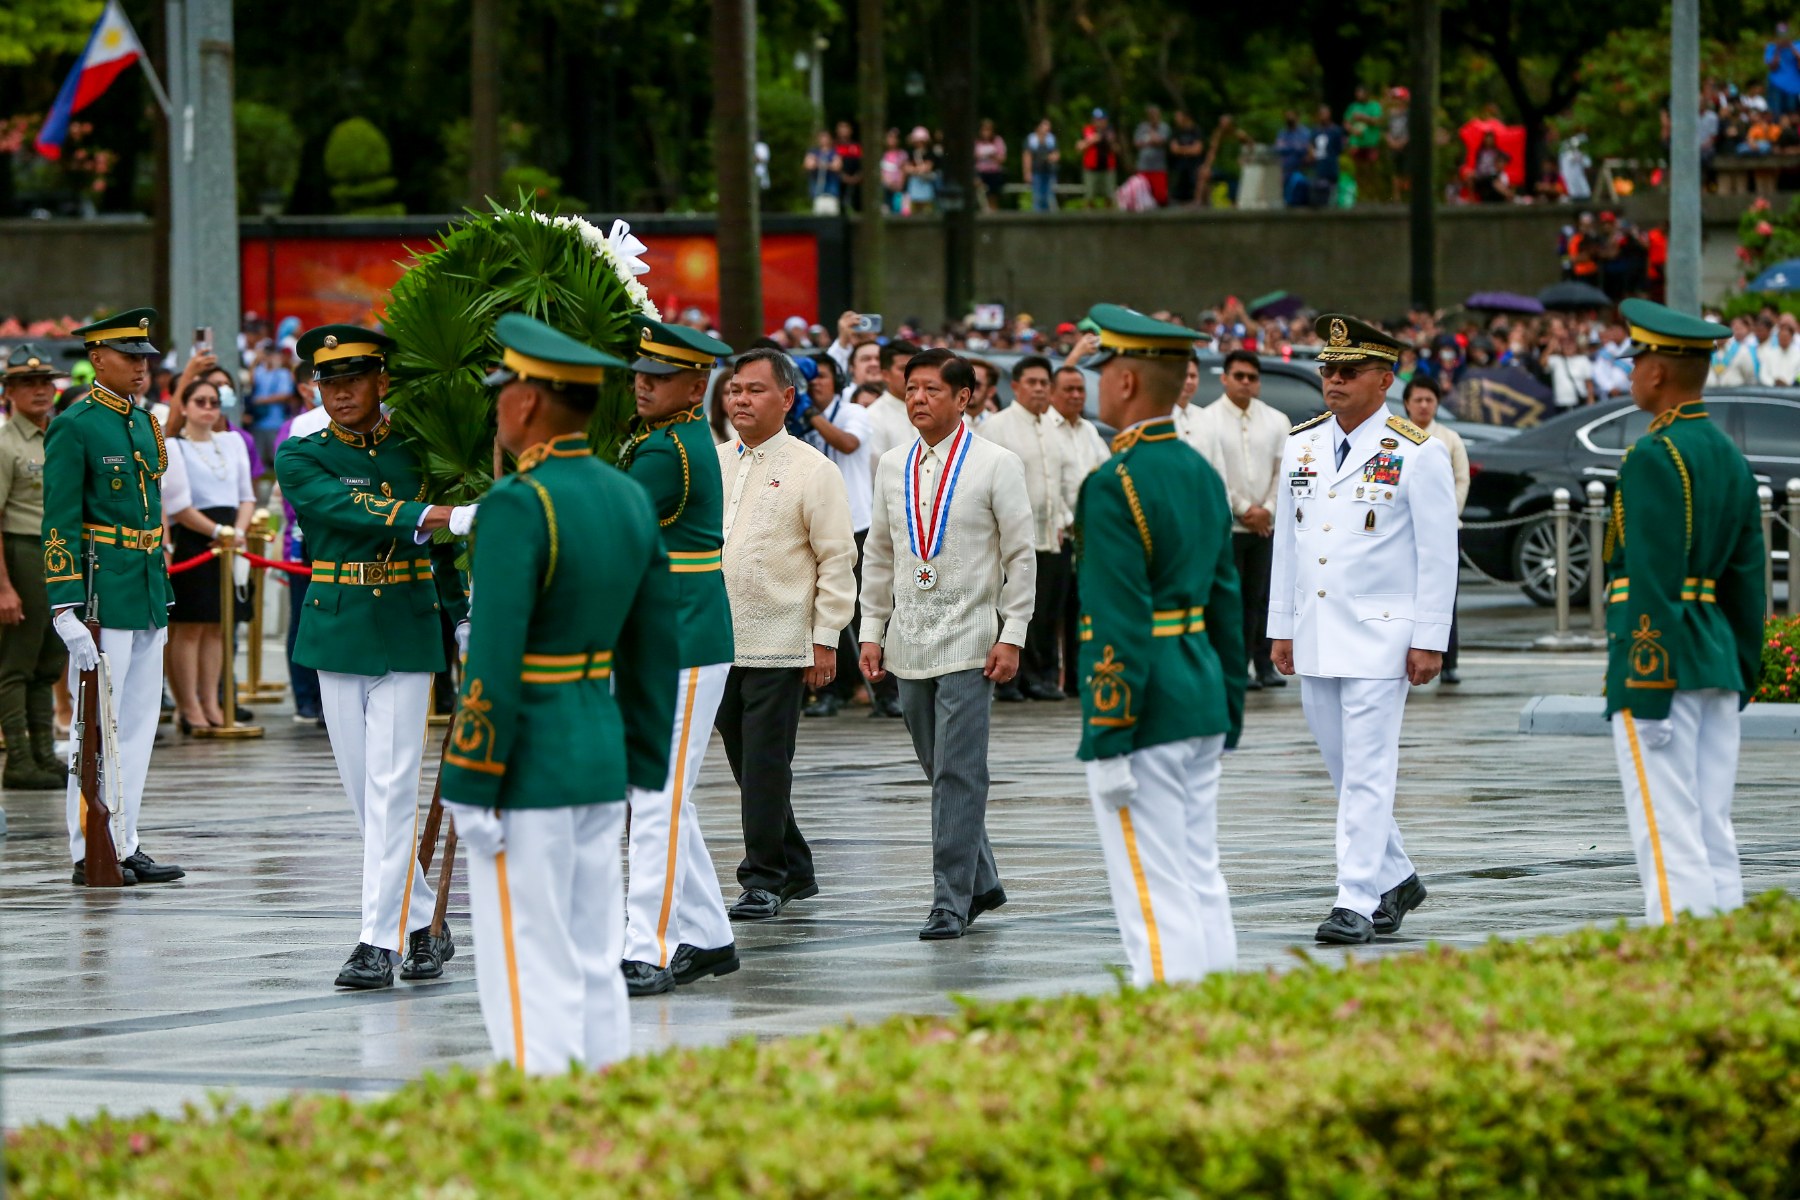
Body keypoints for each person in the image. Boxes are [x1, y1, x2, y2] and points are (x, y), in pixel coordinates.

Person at [442, 313, 675, 1073]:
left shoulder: (520, 504)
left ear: (531, 403)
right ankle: (605, 1098)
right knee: (593, 951)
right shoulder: (625, 495)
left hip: (529, 761)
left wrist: (472, 776)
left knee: (524, 958)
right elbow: (653, 648)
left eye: (503, 391)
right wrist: (643, 757)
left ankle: (543, 1119)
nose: (497, 405)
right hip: (599, 750)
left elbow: (495, 656)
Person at [274, 325, 474, 988]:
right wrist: (442, 515)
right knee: (366, 796)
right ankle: (425, 924)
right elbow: (347, 508)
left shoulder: (418, 450)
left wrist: (464, 614)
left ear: (382, 381)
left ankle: (375, 941)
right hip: (338, 628)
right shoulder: (302, 455)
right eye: (328, 381)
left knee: (390, 790)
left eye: (353, 379)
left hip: (408, 624)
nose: (339, 393)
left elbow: (441, 553)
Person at [1268, 314, 1457, 946]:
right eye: (1327, 369)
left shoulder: (1416, 451)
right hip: (1318, 629)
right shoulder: (1301, 444)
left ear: (1385, 378)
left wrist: (1430, 637)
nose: (1334, 380)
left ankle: (1355, 899)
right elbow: (1289, 546)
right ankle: (1397, 876)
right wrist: (1281, 626)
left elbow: (1438, 553)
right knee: (1344, 768)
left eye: (1349, 371)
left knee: (1370, 770)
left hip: (1382, 634)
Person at [1075, 304, 1247, 986]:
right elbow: (1228, 602)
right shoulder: (1201, 472)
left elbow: (1114, 621)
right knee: (1198, 870)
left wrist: (1109, 727)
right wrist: (1230, 702)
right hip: (1201, 692)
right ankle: (1222, 1004)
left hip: (1145, 708)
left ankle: (1171, 1022)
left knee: (1150, 885)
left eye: (1101, 370)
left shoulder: (1112, 484)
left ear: (1122, 381)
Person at [1599, 300, 1766, 927]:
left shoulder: (1654, 455)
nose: (1633, 371)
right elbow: (1747, 583)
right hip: (1717, 656)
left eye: (1638, 358)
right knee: (1709, 822)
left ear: (1659, 371)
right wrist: (1743, 668)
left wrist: (1645, 676)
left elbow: (1649, 578)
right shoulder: (1728, 454)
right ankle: (1728, 951)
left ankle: (1682, 959)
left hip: (1662, 663)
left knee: (1667, 830)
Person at [858, 348, 1035, 939]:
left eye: (932, 390)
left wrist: (1013, 634)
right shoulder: (891, 465)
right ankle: (981, 880)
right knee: (938, 769)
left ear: (964, 398)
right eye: (911, 390)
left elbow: (1019, 556)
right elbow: (879, 554)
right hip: (909, 639)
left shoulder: (995, 463)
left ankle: (949, 899)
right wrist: (870, 631)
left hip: (971, 638)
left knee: (960, 773)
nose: (918, 400)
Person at [611, 316, 741, 997]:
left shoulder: (669, 451)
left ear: (695, 385)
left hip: (682, 638)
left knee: (656, 796)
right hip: (671, 633)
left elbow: (606, 520)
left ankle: (649, 946)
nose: (642, 384)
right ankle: (709, 935)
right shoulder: (665, 437)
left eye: (658, 377)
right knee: (664, 796)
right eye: (640, 373)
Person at [714, 348, 856, 920]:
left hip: (781, 637)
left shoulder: (812, 468)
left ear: (787, 398)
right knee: (744, 760)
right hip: (718, 640)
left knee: (767, 761)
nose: (741, 400)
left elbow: (837, 558)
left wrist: (826, 637)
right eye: (734, 391)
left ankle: (764, 878)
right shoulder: (714, 460)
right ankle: (795, 867)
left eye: (754, 390)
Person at [44, 310, 185, 886]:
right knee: (94, 728)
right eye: (130, 356)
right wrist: (63, 605)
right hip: (102, 594)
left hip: (146, 585)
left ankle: (125, 840)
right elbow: (59, 519)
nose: (141, 367)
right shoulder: (74, 425)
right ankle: (89, 850)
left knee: (138, 726)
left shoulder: (146, 425)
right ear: (98, 358)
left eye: (146, 357)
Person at [979, 354, 1081, 700]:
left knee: (1049, 608)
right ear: (1016, 386)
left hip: (1053, 533)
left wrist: (1069, 521)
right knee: (1016, 607)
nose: (1039, 389)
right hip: (1012, 534)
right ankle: (1014, 680)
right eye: (1032, 383)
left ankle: (1044, 676)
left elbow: (1063, 482)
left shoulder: (1054, 427)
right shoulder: (998, 426)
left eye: (1044, 384)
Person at [163, 377, 255, 732]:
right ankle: (189, 707)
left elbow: (246, 495)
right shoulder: (174, 446)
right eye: (199, 401)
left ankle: (211, 701)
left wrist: (239, 532)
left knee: (218, 626)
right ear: (183, 406)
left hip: (230, 536)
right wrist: (218, 533)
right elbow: (179, 505)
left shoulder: (231, 442)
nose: (208, 408)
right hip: (194, 537)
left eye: (214, 401)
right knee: (189, 627)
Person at [0, 345, 70, 790]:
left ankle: (44, 754)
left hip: (55, 550)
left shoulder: (58, 434)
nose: (41, 390)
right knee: (16, 663)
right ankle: (19, 758)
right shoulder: (7, 444)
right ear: (9, 391)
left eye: (46, 382)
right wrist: (4, 587)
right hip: (20, 550)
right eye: (29, 383)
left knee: (49, 659)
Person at [1199, 349, 1288, 689]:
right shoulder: (1207, 420)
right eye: (1239, 376)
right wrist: (1242, 509)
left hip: (1266, 525)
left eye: (1252, 377)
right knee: (1231, 601)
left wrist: (1267, 508)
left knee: (1263, 597)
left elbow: (1286, 471)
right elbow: (1212, 473)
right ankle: (1235, 666)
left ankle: (1264, 664)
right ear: (1224, 378)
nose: (1246, 383)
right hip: (1229, 526)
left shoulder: (1277, 420)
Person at [1402, 376, 1468, 685]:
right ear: (1407, 404)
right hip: (1403, 533)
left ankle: (1448, 661)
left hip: (1444, 530)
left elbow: (1461, 480)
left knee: (1443, 598)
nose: (1424, 405)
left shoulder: (1449, 438)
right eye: (1418, 400)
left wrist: (1442, 518)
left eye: (1429, 400)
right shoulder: (1395, 438)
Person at [1050, 363, 1108, 699]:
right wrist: (1066, 518)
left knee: (1084, 609)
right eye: (1069, 389)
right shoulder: (1047, 430)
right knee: (1054, 609)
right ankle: (1051, 675)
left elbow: (1105, 475)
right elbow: (1046, 483)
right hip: (1060, 533)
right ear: (1055, 393)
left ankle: (1077, 676)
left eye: (1080, 390)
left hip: (1091, 538)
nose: (1075, 396)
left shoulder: (1089, 430)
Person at [275, 364, 325, 723]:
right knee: (304, 618)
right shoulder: (298, 426)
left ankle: (329, 697)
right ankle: (306, 696)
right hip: (305, 536)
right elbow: (289, 481)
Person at [1344, 86, 1385, 202]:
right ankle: (1360, 197)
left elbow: (1378, 121)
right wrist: (1352, 130)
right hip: (1356, 144)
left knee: (1371, 171)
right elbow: (1346, 123)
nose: (1359, 95)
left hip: (1371, 144)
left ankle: (1374, 197)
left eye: (1361, 92)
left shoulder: (1374, 106)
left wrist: (1363, 118)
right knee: (1358, 171)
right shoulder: (1352, 107)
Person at [1133, 105, 1171, 206]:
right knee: (1142, 194)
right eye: (1151, 115)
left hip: (1158, 168)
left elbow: (1160, 141)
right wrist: (1151, 140)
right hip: (1143, 167)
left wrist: (1150, 137)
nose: (1153, 117)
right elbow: (1137, 143)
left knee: (1160, 196)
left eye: (1155, 114)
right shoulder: (1142, 127)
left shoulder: (1164, 127)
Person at [1079, 109, 1119, 205]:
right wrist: (1095, 138)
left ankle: (1109, 218)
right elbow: (1080, 146)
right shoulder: (1088, 130)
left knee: (1109, 197)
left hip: (1107, 168)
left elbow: (1117, 150)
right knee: (1089, 197)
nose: (1098, 122)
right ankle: (1089, 218)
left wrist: (1110, 141)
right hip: (1091, 169)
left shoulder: (1110, 132)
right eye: (1096, 119)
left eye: (1101, 119)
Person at [1275, 110, 1313, 208]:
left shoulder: (1305, 133)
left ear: (1297, 118)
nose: (1289, 120)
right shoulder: (1283, 133)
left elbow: (1308, 149)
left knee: (1298, 191)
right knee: (1286, 199)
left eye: (1291, 117)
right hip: (1285, 170)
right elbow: (1278, 148)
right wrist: (1296, 147)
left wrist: (1291, 148)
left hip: (1301, 170)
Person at [1167, 110, 1205, 206]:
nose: (1176, 119)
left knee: (1195, 182)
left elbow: (1197, 150)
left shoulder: (1196, 130)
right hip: (1179, 166)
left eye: (1178, 117)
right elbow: (1173, 149)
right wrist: (1189, 149)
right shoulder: (1176, 131)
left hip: (1194, 165)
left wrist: (1181, 149)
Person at [1310, 104, 1345, 207]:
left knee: (1332, 192)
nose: (1323, 116)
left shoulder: (1335, 131)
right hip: (1318, 166)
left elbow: (1339, 149)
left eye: (1325, 113)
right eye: (1321, 114)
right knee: (1319, 192)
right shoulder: (1315, 131)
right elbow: (1311, 145)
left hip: (1331, 165)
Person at [1023, 117, 1060, 211]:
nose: (1047, 127)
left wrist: (1052, 158)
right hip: (1036, 172)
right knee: (1037, 197)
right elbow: (1027, 156)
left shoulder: (1051, 139)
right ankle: (1037, 221)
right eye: (1045, 125)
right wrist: (1027, 172)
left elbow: (1056, 154)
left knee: (1049, 197)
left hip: (1049, 172)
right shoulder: (1031, 139)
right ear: (1038, 127)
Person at [804, 131, 843, 215]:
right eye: (822, 138)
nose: (824, 140)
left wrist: (824, 165)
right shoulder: (813, 152)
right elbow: (808, 165)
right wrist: (823, 164)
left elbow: (837, 166)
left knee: (833, 212)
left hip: (831, 191)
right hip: (818, 190)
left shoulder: (834, 152)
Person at [1768, 23, 1800, 117]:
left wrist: (1791, 47)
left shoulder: (1797, 45)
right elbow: (1772, 66)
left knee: (1792, 111)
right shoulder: (1772, 47)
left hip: (1793, 86)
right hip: (1776, 85)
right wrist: (1778, 49)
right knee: (1777, 111)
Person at [975, 118, 1008, 210]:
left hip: (994, 172)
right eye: (984, 130)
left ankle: (993, 212)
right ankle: (981, 207)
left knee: (993, 194)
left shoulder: (997, 140)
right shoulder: (977, 142)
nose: (986, 132)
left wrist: (993, 156)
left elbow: (1002, 158)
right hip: (980, 172)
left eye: (988, 130)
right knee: (975, 183)